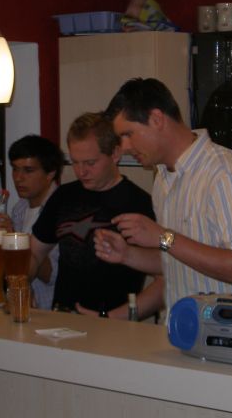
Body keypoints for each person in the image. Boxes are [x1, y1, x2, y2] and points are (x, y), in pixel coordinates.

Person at [95, 77, 232, 311]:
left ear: (156, 119)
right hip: (187, 327)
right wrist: (128, 255)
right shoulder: (163, 178)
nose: (125, 147)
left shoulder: (225, 172)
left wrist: (163, 237)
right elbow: (178, 262)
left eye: (128, 134)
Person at [29, 112, 164, 319]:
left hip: (114, 325)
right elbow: (34, 254)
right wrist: (20, 285)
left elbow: (165, 280)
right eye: (75, 162)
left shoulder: (140, 203)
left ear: (115, 154)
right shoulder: (63, 196)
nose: (81, 171)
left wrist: (113, 318)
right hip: (62, 320)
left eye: (90, 163)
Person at [1, 135, 64, 310]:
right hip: (21, 305)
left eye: (28, 170)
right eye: (15, 169)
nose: (18, 178)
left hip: (51, 311)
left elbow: (51, 275)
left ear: (50, 173)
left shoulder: (62, 209)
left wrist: (15, 240)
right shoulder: (20, 208)